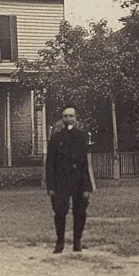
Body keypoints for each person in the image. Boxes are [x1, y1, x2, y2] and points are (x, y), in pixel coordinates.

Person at [45, 106, 95, 253]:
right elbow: (50, 163)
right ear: (62, 119)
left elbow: (85, 163)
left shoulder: (81, 137)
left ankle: (77, 241)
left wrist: (87, 186)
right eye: (66, 116)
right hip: (61, 180)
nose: (68, 119)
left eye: (71, 116)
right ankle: (60, 242)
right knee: (60, 211)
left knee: (80, 212)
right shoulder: (55, 138)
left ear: (75, 118)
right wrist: (51, 186)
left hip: (78, 180)